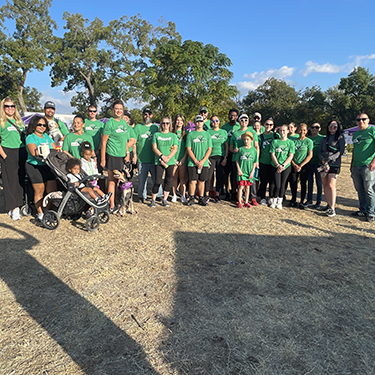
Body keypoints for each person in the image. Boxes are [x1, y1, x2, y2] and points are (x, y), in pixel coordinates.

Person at [100, 99, 136, 211]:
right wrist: (103, 159)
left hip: (121, 155)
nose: (118, 111)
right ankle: (111, 206)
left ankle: (117, 201)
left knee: (119, 181)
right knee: (112, 180)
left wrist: (127, 153)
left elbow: (125, 140)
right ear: (112, 110)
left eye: (120, 109)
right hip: (112, 154)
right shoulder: (110, 123)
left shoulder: (124, 123)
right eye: (116, 109)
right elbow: (104, 142)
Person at [25, 115, 57, 222]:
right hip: (34, 165)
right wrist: (42, 152)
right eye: (39, 124)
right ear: (34, 125)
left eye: (44, 125)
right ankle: (40, 213)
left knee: (51, 191)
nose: (42, 127)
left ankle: (46, 210)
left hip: (48, 165)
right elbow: (34, 152)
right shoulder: (30, 137)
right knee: (39, 191)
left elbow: (54, 150)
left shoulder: (48, 137)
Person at [0, 97, 27, 220]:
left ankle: (19, 203)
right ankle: (13, 207)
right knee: (10, 181)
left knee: (20, 179)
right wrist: (4, 155)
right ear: (3, 108)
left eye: (12, 106)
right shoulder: (1, 122)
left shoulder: (19, 122)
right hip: (8, 151)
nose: (10, 108)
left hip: (21, 151)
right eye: (7, 106)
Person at [133, 108, 162, 203]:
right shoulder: (138, 127)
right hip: (142, 158)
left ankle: (158, 194)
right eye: (145, 114)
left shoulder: (156, 128)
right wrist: (135, 155)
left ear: (152, 115)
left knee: (156, 178)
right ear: (143, 115)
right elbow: (134, 142)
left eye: (149, 114)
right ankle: (142, 195)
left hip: (154, 158)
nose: (147, 116)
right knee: (142, 179)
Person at [350, 113, 375, 221]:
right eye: (358, 120)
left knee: (369, 189)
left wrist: (374, 162)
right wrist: (351, 164)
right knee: (360, 189)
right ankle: (363, 210)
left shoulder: (372, 131)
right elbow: (355, 150)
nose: (361, 121)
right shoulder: (355, 134)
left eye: (363, 119)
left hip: (367, 165)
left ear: (368, 120)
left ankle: (371, 212)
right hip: (356, 165)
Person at [230, 114, 259, 205]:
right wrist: (233, 150)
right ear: (239, 122)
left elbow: (256, 146)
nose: (244, 122)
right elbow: (230, 147)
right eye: (242, 120)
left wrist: (256, 160)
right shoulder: (235, 133)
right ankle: (240, 198)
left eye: (246, 120)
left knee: (251, 180)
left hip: (250, 161)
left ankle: (252, 197)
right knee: (239, 181)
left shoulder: (252, 132)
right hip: (238, 159)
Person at [318, 119, 345, 217]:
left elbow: (340, 151)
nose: (332, 128)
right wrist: (322, 160)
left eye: (335, 126)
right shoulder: (324, 139)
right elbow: (320, 151)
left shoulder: (340, 138)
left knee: (331, 185)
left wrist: (330, 159)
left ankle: (332, 208)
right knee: (325, 185)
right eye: (330, 126)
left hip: (334, 164)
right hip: (323, 164)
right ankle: (328, 204)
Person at [149, 117, 178, 208]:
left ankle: (164, 199)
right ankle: (153, 199)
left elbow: (175, 148)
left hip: (170, 161)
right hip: (159, 161)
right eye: (164, 123)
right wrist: (162, 156)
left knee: (168, 180)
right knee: (157, 181)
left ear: (170, 125)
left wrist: (168, 158)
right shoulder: (157, 135)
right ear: (161, 124)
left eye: (167, 123)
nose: (165, 125)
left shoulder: (173, 136)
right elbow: (154, 148)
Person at [185, 115, 212, 206]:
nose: (199, 123)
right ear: (195, 123)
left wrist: (203, 161)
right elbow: (189, 149)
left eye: (201, 121)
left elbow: (209, 149)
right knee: (192, 180)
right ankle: (191, 197)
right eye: (197, 121)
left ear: (203, 122)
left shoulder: (207, 134)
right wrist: (196, 161)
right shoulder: (191, 134)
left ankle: (201, 198)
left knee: (202, 180)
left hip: (203, 162)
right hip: (192, 162)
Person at [270, 125, 295, 209]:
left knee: (283, 184)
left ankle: (279, 201)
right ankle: (274, 200)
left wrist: (283, 165)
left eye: (284, 130)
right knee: (277, 185)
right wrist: (278, 165)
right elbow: (272, 154)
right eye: (280, 131)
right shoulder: (275, 142)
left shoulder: (290, 142)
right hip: (275, 165)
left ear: (288, 131)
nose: (282, 132)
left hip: (286, 166)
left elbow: (291, 155)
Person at [289, 123, 313, 208]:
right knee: (293, 182)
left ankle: (302, 201)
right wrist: (294, 164)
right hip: (293, 165)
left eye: (304, 130)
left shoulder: (308, 141)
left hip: (304, 166)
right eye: (300, 129)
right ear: (297, 130)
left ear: (306, 131)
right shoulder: (293, 141)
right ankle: (293, 199)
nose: (302, 131)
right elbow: (290, 154)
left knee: (303, 183)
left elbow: (310, 155)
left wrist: (301, 165)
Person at [206, 115, 228, 203]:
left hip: (221, 156)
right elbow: (205, 145)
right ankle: (207, 194)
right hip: (211, 156)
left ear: (219, 122)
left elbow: (226, 146)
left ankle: (217, 195)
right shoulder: (208, 132)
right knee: (209, 176)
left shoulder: (224, 132)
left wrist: (225, 157)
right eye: (213, 121)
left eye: (217, 120)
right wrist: (206, 158)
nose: (215, 122)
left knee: (220, 176)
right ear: (211, 123)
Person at [258, 119, 279, 205]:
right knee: (263, 181)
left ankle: (271, 197)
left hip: (274, 163)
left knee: (273, 181)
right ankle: (262, 197)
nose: (268, 126)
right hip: (263, 161)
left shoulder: (276, 136)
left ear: (273, 126)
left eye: (270, 125)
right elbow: (258, 150)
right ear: (264, 125)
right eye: (267, 124)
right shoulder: (260, 137)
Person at [221, 108, 240, 200]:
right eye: (231, 115)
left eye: (234, 115)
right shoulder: (224, 127)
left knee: (234, 174)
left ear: (237, 117)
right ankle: (226, 191)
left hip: (236, 154)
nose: (232, 117)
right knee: (226, 173)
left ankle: (234, 191)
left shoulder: (239, 127)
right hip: (226, 153)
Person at [305, 122, 325, 209]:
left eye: (317, 127)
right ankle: (309, 200)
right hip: (309, 163)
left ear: (320, 128)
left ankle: (318, 202)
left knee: (319, 183)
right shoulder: (307, 138)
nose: (314, 129)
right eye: (313, 127)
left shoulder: (323, 138)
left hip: (319, 163)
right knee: (309, 182)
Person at [236, 132, 257, 208]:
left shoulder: (254, 150)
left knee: (247, 187)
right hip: (242, 171)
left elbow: (255, 161)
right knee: (240, 187)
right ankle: (239, 201)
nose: (246, 141)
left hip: (249, 171)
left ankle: (246, 202)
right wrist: (239, 169)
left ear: (251, 140)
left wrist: (252, 172)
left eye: (247, 139)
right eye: (244, 140)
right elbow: (237, 160)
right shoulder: (241, 149)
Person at [171, 114, 188, 203]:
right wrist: (173, 158)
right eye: (177, 120)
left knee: (182, 179)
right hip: (173, 159)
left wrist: (183, 158)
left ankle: (183, 195)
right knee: (174, 177)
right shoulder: (171, 133)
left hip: (182, 159)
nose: (179, 122)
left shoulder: (186, 134)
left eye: (181, 120)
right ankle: (174, 194)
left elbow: (187, 148)